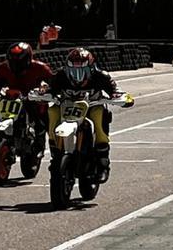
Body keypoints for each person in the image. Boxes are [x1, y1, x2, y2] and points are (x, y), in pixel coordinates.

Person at [44, 47, 134, 181]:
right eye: (73, 71)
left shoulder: (101, 76)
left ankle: (103, 162)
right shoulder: (60, 75)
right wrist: (41, 93)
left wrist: (120, 97)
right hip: (66, 107)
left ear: (91, 68)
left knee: (99, 114)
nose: (78, 75)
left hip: (92, 106)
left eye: (82, 71)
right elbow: (47, 89)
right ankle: (55, 149)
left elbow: (116, 90)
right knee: (52, 110)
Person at [0, 42, 53, 141]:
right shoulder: (3, 67)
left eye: (19, 60)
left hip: (32, 98)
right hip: (11, 98)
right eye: (13, 60)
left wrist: (44, 89)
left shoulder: (40, 67)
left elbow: (52, 82)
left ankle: (46, 142)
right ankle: (3, 132)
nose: (16, 64)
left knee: (44, 116)